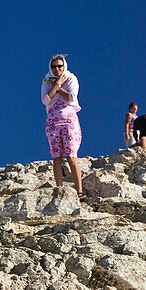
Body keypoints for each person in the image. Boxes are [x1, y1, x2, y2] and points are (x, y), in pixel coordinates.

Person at [41, 54, 84, 201]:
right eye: (54, 66)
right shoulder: (47, 80)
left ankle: (79, 190)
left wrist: (57, 86)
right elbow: (45, 99)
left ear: (64, 66)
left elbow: (71, 97)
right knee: (57, 157)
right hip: (53, 121)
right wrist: (57, 84)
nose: (57, 69)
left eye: (59, 66)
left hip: (69, 120)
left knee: (71, 155)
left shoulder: (71, 78)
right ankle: (59, 189)